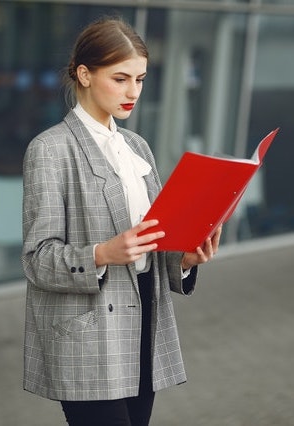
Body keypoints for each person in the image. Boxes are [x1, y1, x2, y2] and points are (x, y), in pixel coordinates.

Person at [22, 17, 221, 426]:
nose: (134, 92)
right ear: (85, 74)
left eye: (141, 79)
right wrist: (102, 253)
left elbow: (154, 240)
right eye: (121, 78)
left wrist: (183, 260)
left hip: (145, 323)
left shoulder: (137, 147)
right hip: (89, 337)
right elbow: (37, 259)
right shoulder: (50, 150)